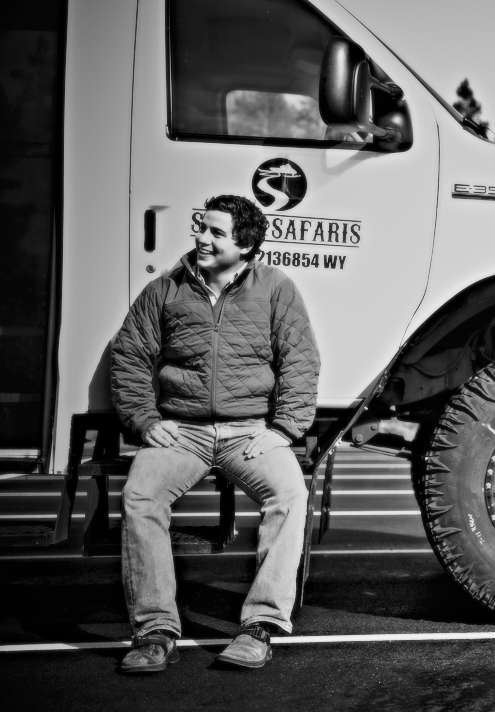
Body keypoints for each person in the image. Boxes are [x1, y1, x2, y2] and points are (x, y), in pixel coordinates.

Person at [111, 195, 320, 672]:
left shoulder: (276, 288)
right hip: (181, 430)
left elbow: (300, 361)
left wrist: (284, 429)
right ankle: (154, 631)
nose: (202, 238)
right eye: (201, 228)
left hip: (249, 430)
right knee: (141, 497)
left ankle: (259, 627)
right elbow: (130, 356)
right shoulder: (165, 288)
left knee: (289, 496)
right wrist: (146, 420)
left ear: (245, 244)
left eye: (216, 232)